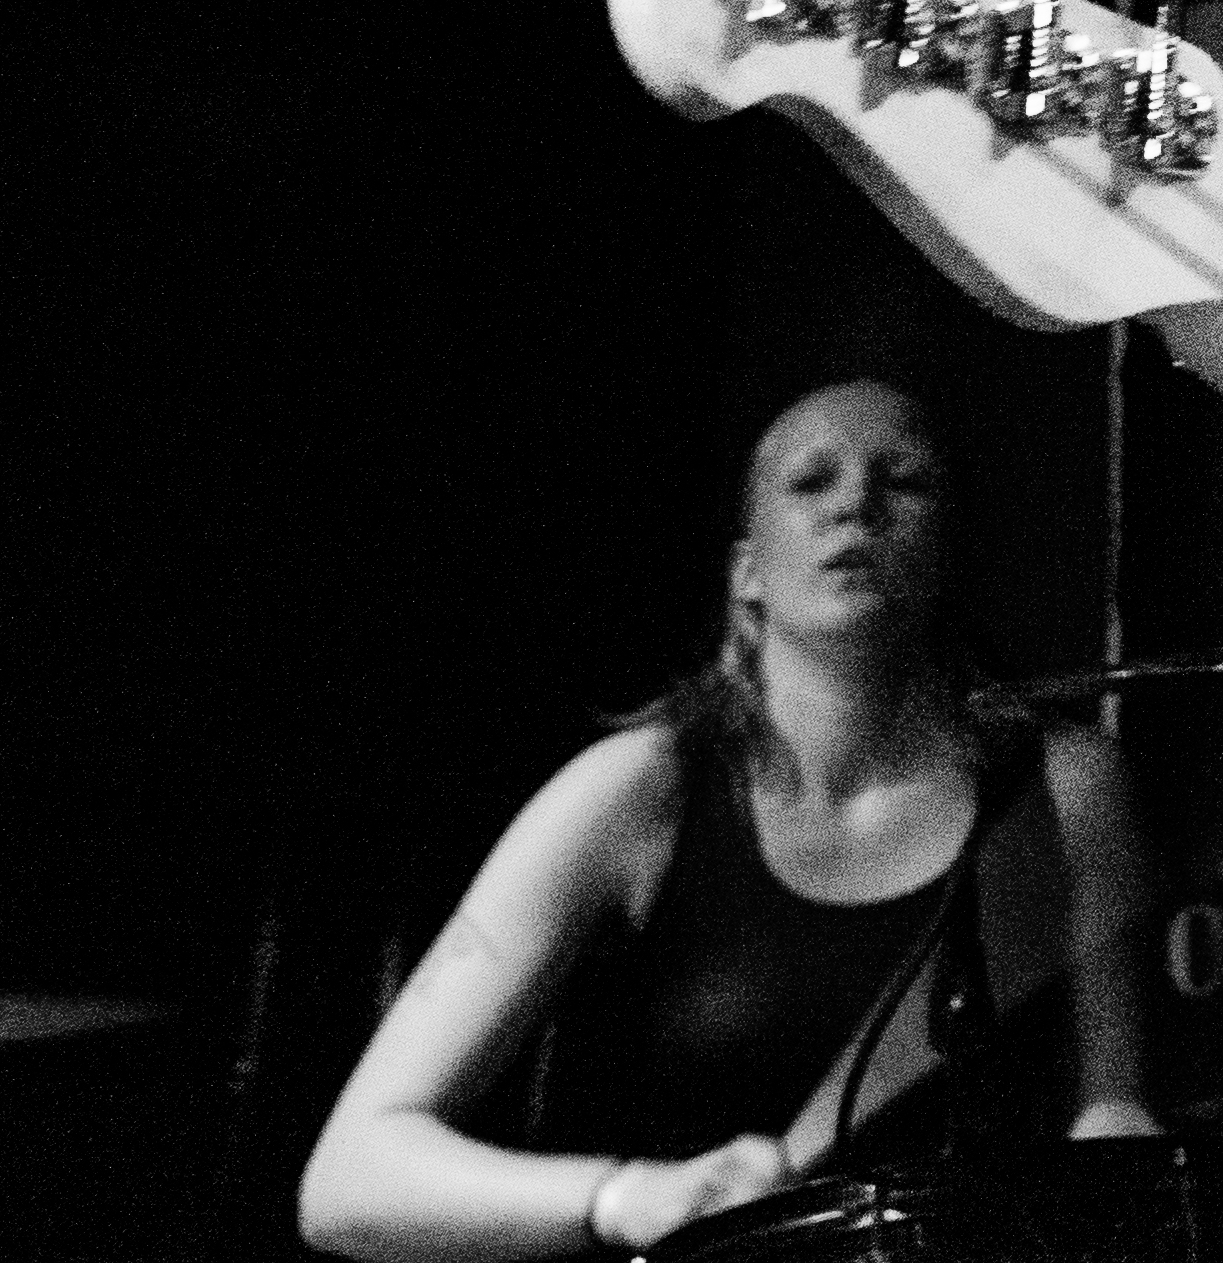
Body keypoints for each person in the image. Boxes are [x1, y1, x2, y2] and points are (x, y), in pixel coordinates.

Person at [300, 381, 1157, 1258]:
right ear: (746, 572)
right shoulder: (642, 788)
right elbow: (350, 1178)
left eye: (904, 480)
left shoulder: (1062, 784)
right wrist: (626, 1195)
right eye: (809, 481)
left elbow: (1111, 1106)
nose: (856, 502)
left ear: (952, 549)